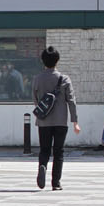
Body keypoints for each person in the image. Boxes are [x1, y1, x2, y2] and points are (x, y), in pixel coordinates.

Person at [31, 46, 80, 190]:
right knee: (58, 152)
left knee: (44, 149)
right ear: (57, 60)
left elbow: (34, 99)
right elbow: (71, 100)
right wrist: (75, 121)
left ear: (43, 61)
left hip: (43, 121)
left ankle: (42, 166)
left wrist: (43, 111)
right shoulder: (64, 79)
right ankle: (56, 183)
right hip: (60, 121)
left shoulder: (37, 78)